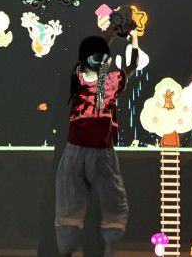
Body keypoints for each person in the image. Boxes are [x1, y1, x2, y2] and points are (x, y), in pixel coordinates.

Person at [55, 31, 139, 257]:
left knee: (70, 200)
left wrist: (112, 34)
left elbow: (94, 56)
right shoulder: (110, 82)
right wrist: (133, 37)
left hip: (76, 151)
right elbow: (132, 65)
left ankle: (67, 249)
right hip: (101, 153)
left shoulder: (78, 79)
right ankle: (108, 247)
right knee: (112, 200)